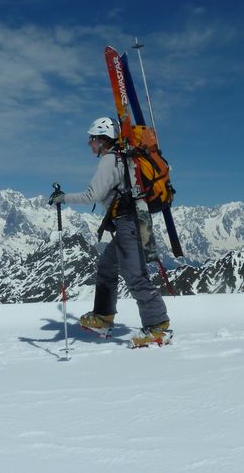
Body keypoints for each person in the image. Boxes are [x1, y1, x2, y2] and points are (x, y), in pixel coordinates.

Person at [49, 116, 171, 346]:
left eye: (91, 139)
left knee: (135, 276)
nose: (89, 144)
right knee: (106, 265)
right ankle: (103, 316)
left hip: (128, 223)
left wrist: (62, 198)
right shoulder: (121, 158)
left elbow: (91, 196)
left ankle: (158, 326)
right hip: (133, 221)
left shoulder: (109, 160)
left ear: (102, 139)